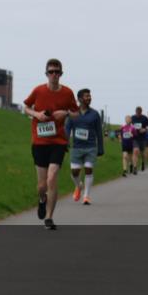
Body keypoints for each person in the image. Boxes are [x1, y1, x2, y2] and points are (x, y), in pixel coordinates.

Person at [23, 58, 78, 230]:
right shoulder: (38, 91)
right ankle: (42, 199)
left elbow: (76, 113)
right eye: (51, 72)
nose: (54, 75)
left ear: (61, 74)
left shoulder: (68, 93)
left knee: (52, 177)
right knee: (42, 185)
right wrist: (37, 114)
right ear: (46, 74)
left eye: (57, 72)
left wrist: (67, 113)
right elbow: (25, 106)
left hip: (58, 141)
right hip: (40, 141)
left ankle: (49, 217)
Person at [64, 89, 104, 205]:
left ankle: (86, 196)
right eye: (86, 96)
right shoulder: (73, 113)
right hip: (76, 147)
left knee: (88, 169)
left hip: (91, 147)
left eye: (90, 96)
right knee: (74, 172)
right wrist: (65, 142)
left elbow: (99, 132)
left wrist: (100, 148)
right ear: (80, 99)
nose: (89, 98)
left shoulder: (95, 114)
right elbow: (67, 128)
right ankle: (78, 186)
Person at [131, 106, 148, 171]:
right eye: (137, 112)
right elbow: (130, 126)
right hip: (135, 138)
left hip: (143, 138)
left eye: (139, 112)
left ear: (141, 112)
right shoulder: (132, 118)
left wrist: (144, 129)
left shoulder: (145, 118)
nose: (138, 114)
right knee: (135, 151)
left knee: (142, 153)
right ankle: (135, 167)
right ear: (135, 112)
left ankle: (143, 162)